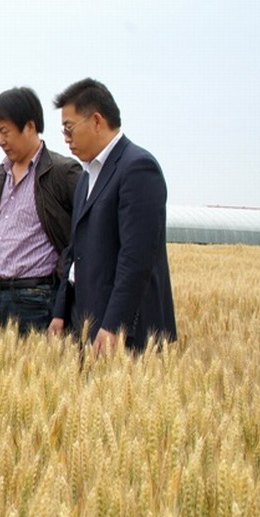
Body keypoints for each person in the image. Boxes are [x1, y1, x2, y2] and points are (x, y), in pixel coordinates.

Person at [48, 78, 176, 353]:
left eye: (69, 129)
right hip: (85, 320)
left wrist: (115, 325)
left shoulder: (138, 168)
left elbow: (137, 258)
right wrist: (61, 312)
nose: (66, 138)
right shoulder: (86, 176)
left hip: (124, 333)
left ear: (96, 120)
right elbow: (74, 251)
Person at [0, 87, 81, 334]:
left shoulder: (62, 172)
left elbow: (80, 237)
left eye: (5, 131)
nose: (0, 140)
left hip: (35, 298)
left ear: (29, 126)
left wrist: (63, 300)